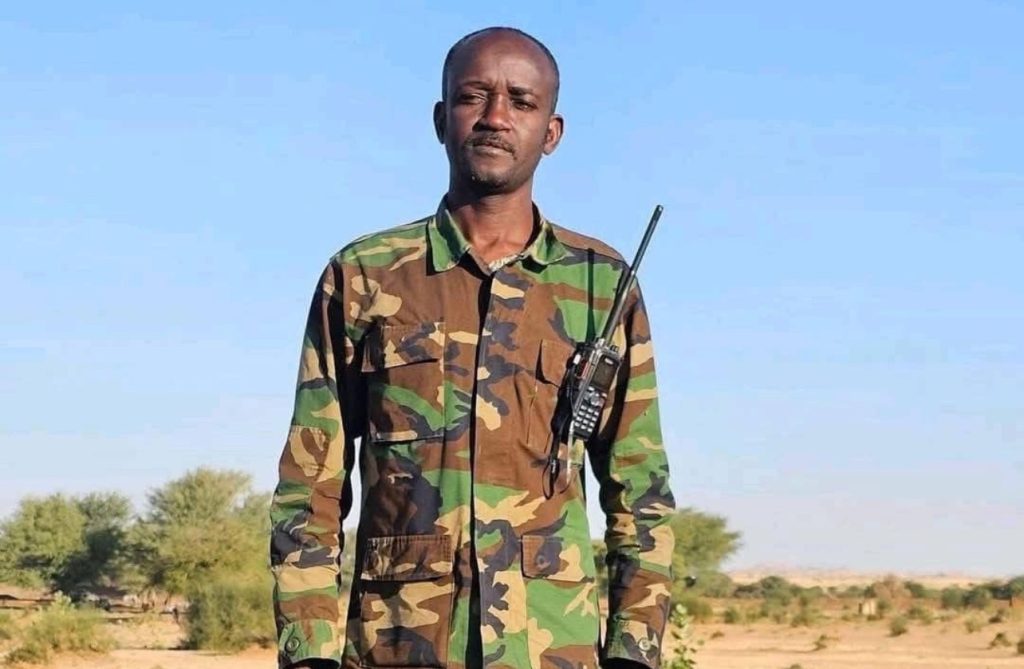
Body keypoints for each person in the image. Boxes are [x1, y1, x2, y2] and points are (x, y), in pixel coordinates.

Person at [270, 26, 676, 669]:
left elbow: (640, 487)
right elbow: (310, 483)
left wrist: (633, 648)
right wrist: (308, 649)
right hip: (399, 643)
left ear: (552, 132)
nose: (495, 117)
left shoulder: (601, 284)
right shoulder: (365, 276)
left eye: (521, 101)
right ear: (441, 120)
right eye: (473, 96)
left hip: (551, 645)